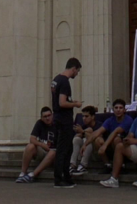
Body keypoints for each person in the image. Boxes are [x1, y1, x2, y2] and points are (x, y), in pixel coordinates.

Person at [51, 57, 83, 189]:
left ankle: (66, 177)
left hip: (58, 117)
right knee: (63, 149)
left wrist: (71, 101)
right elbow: (62, 103)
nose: (77, 74)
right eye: (77, 71)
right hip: (64, 119)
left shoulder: (56, 79)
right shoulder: (64, 82)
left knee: (67, 148)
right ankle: (59, 179)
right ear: (73, 68)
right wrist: (75, 104)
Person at [16, 107, 55, 183]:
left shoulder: (57, 124)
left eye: (49, 115)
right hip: (42, 151)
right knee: (30, 146)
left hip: (53, 153)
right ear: (41, 118)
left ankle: (32, 174)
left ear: (52, 115)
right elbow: (32, 139)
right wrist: (41, 144)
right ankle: (23, 173)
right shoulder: (39, 123)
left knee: (53, 151)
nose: (47, 118)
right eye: (45, 116)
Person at [94, 99, 135, 170]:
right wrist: (85, 145)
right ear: (113, 109)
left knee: (116, 138)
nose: (118, 110)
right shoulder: (110, 120)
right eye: (116, 108)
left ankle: (122, 164)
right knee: (98, 140)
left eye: (120, 108)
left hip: (126, 146)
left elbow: (116, 132)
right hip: (111, 146)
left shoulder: (128, 119)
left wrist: (104, 145)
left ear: (124, 110)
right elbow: (98, 131)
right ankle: (107, 165)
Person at [70, 106, 101, 175]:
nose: (84, 118)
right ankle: (72, 164)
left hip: (96, 153)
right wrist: (81, 132)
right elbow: (76, 137)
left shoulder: (99, 125)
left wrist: (83, 132)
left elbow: (96, 139)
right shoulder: (84, 126)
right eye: (83, 116)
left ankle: (83, 166)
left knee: (87, 141)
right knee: (77, 139)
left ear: (93, 117)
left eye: (86, 116)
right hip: (83, 152)